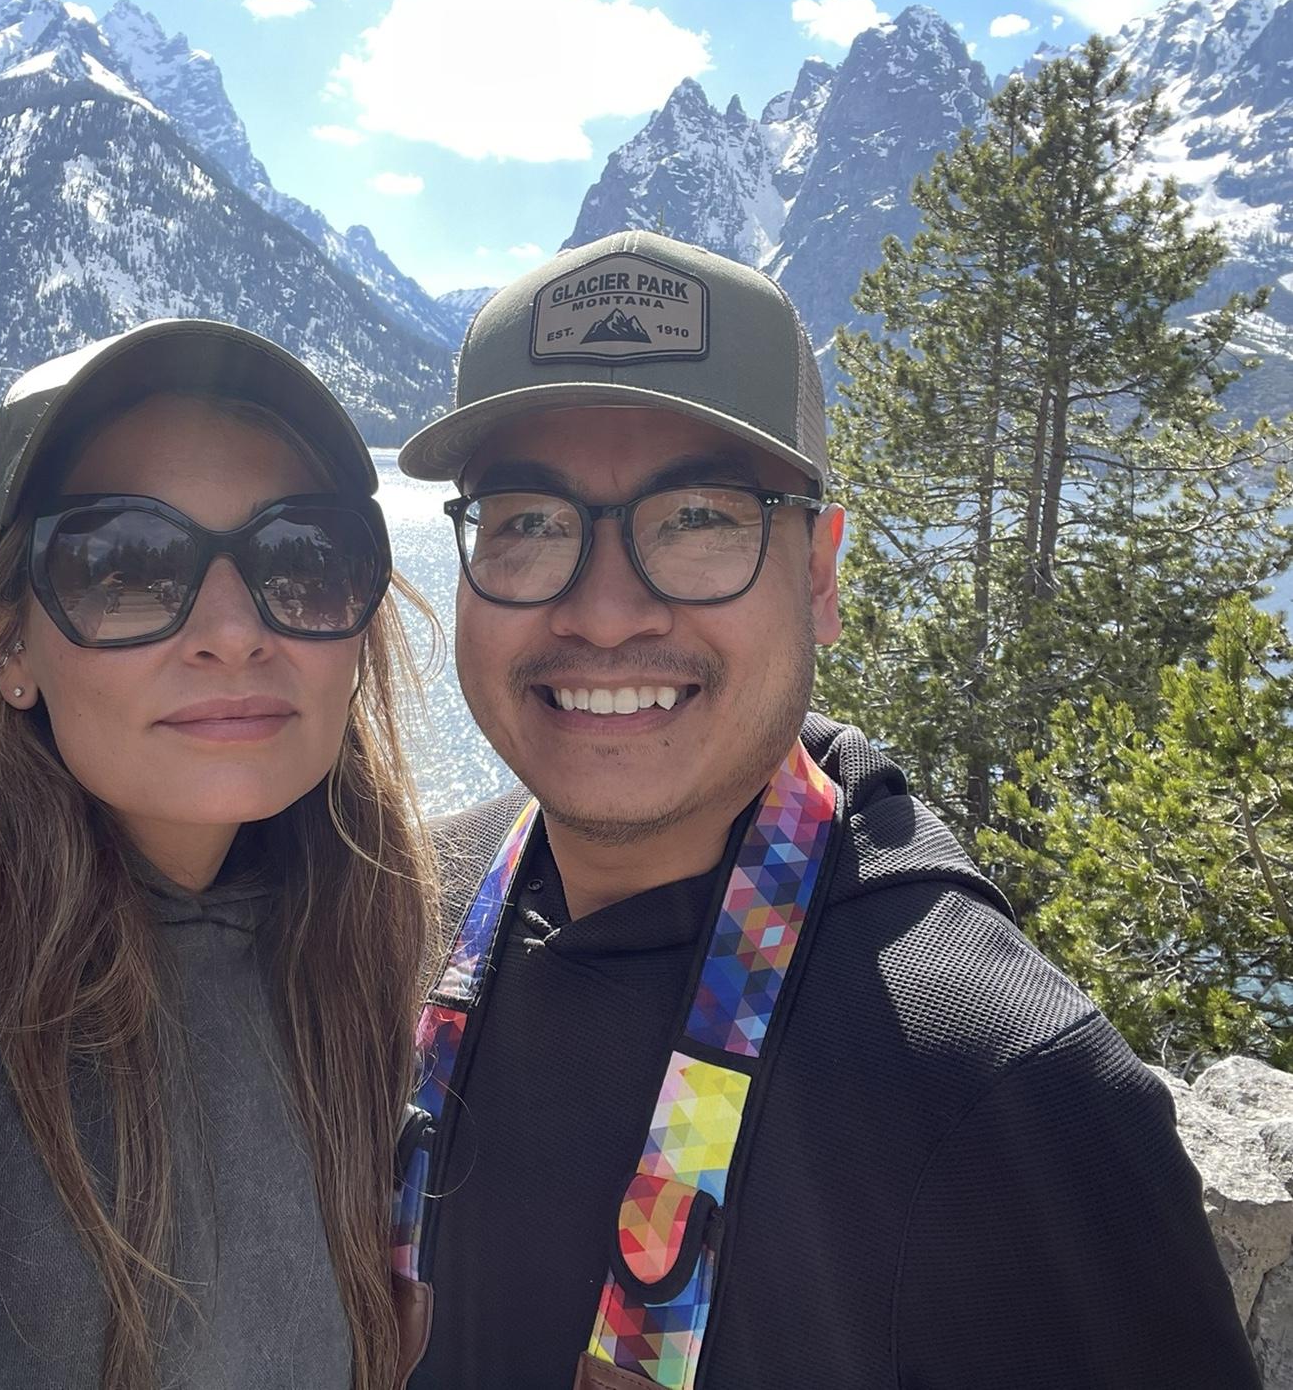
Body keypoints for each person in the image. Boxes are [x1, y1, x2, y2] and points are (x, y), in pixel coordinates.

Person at [391, 232, 1260, 1388]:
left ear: (820, 575)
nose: (603, 612)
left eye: (698, 517)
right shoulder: (412, 913)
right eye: (532, 520)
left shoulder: (1006, 1093)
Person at [0, 320, 433, 1390]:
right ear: (13, 645)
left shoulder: (360, 958)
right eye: (125, 566)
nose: (232, 630)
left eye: (303, 559)